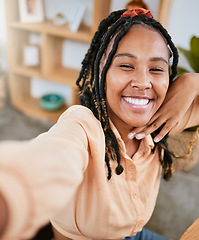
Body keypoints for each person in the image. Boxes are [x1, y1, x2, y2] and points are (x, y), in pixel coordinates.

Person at [0, 7, 199, 240]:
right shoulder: (82, 128)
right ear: (101, 74)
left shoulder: (160, 120)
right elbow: (47, 160)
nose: (143, 82)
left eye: (156, 69)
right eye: (126, 66)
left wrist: (191, 81)